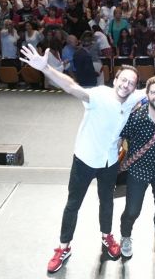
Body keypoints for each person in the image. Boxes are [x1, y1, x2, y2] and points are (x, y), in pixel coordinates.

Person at [20, 45, 146, 272]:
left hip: (109, 162)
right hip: (85, 160)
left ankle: (107, 236)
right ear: (115, 79)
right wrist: (45, 68)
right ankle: (63, 246)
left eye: (131, 83)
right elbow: (70, 86)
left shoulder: (131, 98)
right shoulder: (97, 96)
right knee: (73, 204)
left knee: (106, 201)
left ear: (135, 87)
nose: (126, 85)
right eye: (123, 80)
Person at [117, 75, 155, 258]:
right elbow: (120, 139)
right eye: (154, 92)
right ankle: (125, 236)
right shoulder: (135, 116)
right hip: (138, 170)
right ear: (147, 94)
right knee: (132, 210)